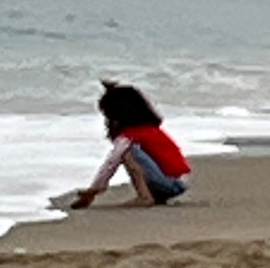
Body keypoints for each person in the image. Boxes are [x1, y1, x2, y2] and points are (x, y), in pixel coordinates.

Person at [70, 80, 191, 209]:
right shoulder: (150, 129)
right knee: (132, 152)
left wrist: (94, 190)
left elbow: (111, 163)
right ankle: (155, 196)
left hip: (170, 183)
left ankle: (144, 196)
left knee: (127, 153)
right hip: (177, 181)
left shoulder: (131, 135)